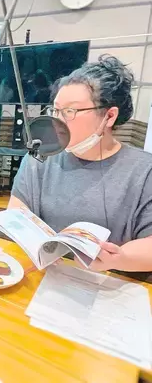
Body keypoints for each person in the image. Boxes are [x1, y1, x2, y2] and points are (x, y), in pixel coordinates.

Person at [9, 55, 152, 273]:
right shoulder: (40, 157)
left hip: (111, 283)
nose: (58, 121)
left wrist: (118, 259)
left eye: (70, 111)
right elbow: (18, 211)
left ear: (109, 116)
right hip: (44, 274)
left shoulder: (144, 171)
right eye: (56, 110)